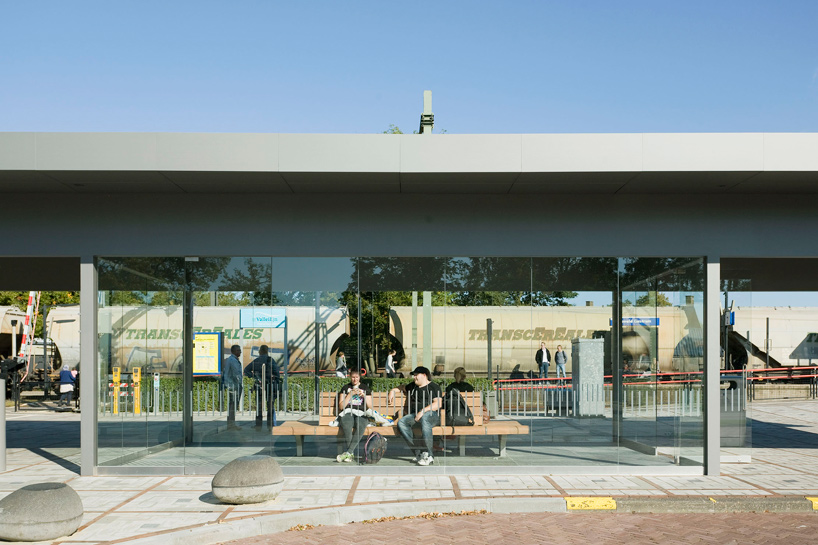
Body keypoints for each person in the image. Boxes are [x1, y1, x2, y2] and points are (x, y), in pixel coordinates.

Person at [389, 366, 442, 466]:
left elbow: (438, 404)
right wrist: (392, 391)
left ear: (424, 375)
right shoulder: (413, 386)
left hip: (431, 415)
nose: (414, 377)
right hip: (416, 416)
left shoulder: (434, 387)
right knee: (402, 422)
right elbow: (401, 387)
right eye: (414, 375)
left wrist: (423, 411)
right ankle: (419, 452)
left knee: (425, 418)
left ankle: (429, 455)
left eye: (416, 375)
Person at [335, 368, 373, 463]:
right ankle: (350, 453)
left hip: (362, 412)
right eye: (353, 377)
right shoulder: (345, 388)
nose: (355, 379)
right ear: (350, 377)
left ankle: (349, 452)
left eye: (357, 377)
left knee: (360, 424)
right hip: (348, 411)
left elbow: (370, 406)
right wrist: (349, 395)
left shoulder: (365, 388)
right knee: (347, 424)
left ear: (360, 377)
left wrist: (364, 396)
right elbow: (341, 406)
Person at [243, 345, 279, 428]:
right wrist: (275, 380)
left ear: (260, 352)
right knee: (270, 405)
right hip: (270, 385)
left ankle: (258, 425)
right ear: (267, 351)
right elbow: (277, 373)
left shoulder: (256, 360)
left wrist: (255, 377)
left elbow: (246, 370)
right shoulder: (271, 360)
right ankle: (271, 425)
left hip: (259, 385)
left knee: (259, 405)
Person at [222, 345, 243, 429]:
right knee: (233, 406)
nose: (240, 352)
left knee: (233, 406)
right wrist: (239, 384)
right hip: (234, 386)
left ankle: (231, 424)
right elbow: (236, 374)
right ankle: (231, 424)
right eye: (238, 350)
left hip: (233, 385)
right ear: (234, 351)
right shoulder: (233, 360)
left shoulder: (231, 359)